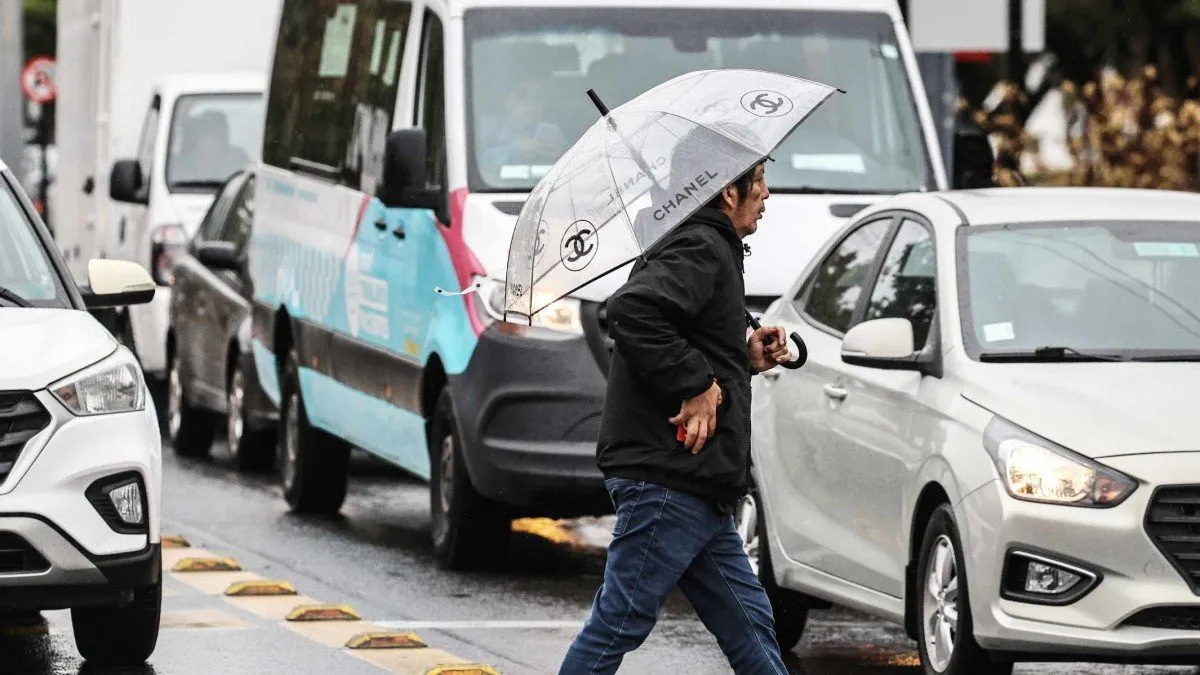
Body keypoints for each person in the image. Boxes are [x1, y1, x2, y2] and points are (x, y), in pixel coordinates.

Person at [559, 157, 793, 675]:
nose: (767, 193)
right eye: (758, 181)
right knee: (620, 621)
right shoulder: (700, 246)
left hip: (696, 480)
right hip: (669, 476)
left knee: (748, 623)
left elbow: (689, 336)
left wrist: (743, 359)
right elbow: (631, 312)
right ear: (727, 193)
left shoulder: (703, 245)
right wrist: (698, 383)